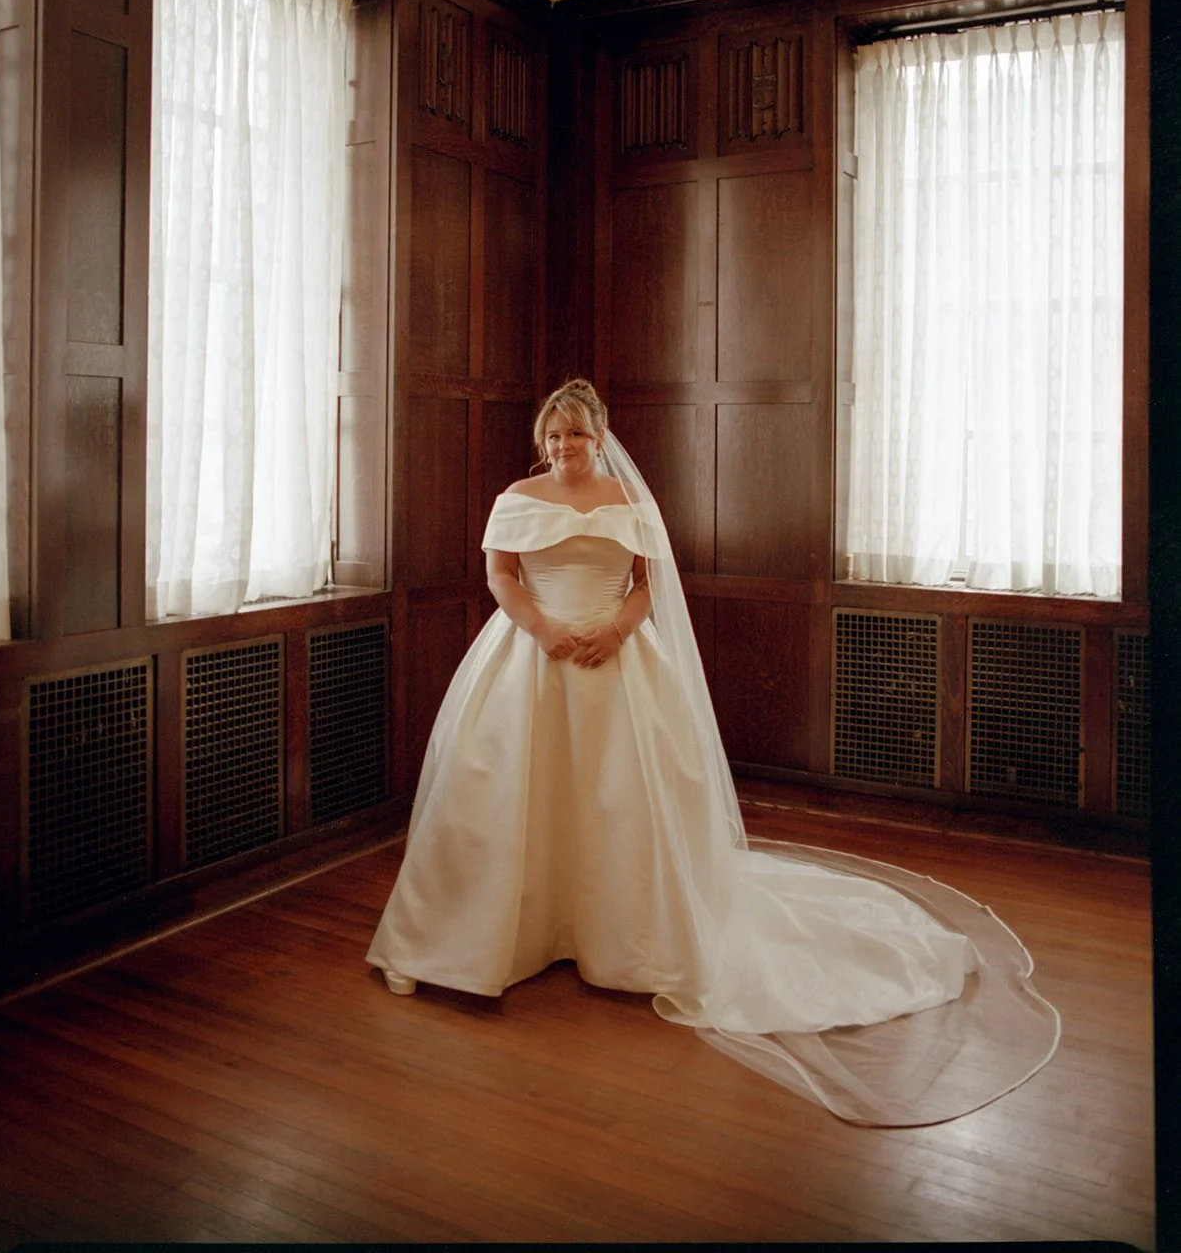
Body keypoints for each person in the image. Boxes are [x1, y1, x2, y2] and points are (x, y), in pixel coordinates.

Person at [367, 380, 1060, 1125]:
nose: (564, 446)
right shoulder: (517, 497)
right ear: (543, 441)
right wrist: (542, 629)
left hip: (615, 660)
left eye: (576, 434)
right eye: (554, 435)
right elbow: (500, 574)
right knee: (507, 797)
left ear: (600, 437)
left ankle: (620, 939)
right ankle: (458, 942)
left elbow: (646, 586)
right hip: (532, 657)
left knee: (621, 802)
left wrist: (616, 630)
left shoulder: (629, 501)